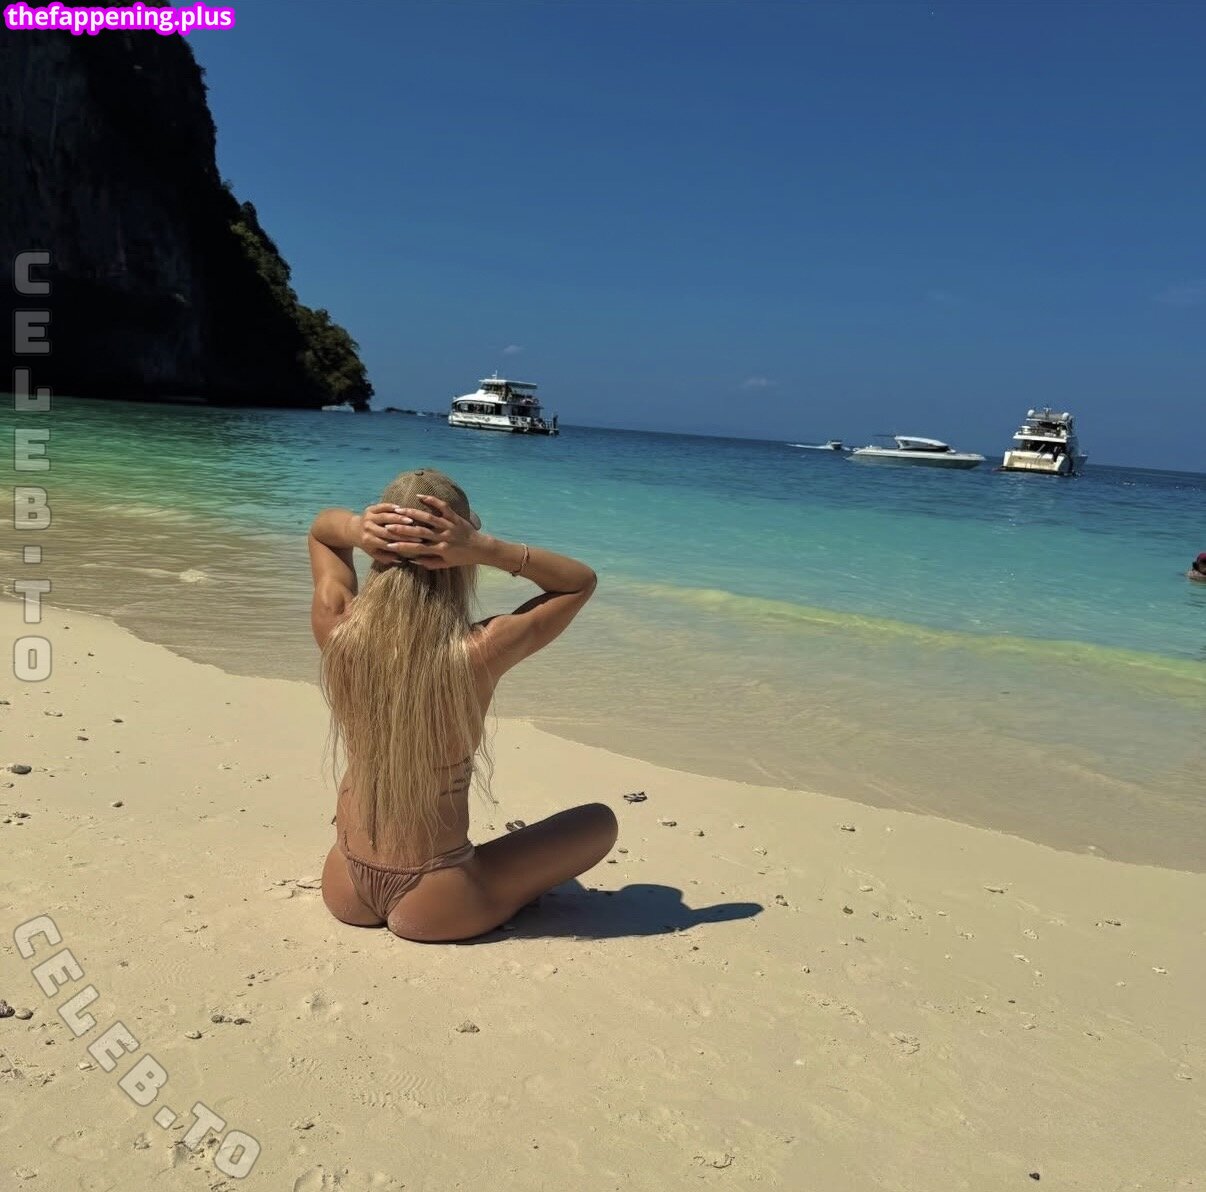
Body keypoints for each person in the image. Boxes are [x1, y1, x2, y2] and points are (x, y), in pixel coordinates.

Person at [308, 467, 617, 941]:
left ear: (377, 542)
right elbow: (579, 582)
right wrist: (486, 549)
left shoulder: (337, 628)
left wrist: (353, 528)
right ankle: (502, 891)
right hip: (437, 898)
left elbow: (321, 533)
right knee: (599, 822)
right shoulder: (480, 650)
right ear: (460, 546)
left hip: (344, 881)